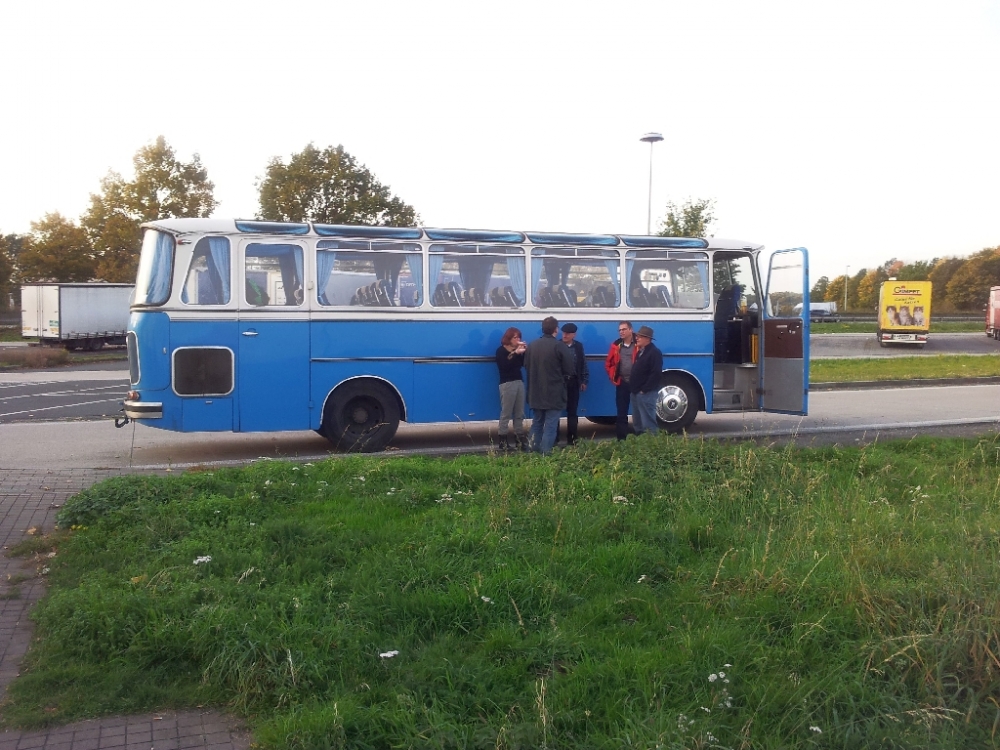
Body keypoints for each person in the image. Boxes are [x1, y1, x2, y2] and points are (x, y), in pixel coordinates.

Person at [524, 316, 575, 455]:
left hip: (535, 393)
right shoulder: (559, 346)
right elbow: (570, 369)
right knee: (551, 425)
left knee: (537, 423)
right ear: (556, 329)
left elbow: (526, 365)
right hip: (554, 393)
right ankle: (545, 454)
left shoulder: (532, 345)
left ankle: (531, 451)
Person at [604, 321, 638, 440]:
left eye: (624, 329)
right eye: (619, 330)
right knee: (621, 412)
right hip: (622, 382)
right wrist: (613, 376)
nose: (621, 332)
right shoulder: (616, 345)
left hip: (637, 383)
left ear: (631, 330)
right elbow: (608, 363)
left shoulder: (638, 344)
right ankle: (621, 439)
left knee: (639, 411)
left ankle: (642, 438)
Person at [495, 327, 528, 451]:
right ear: (508, 338)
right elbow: (504, 365)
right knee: (506, 413)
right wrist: (515, 353)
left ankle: (519, 438)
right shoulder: (501, 350)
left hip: (519, 381)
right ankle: (502, 440)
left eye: (519, 337)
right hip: (507, 383)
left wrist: (524, 351)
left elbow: (523, 364)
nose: (517, 339)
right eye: (515, 337)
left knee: (519, 412)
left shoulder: (517, 351)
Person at [629, 325, 663, 436]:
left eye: (639, 336)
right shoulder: (640, 352)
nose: (637, 338)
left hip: (646, 393)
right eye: (637, 336)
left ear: (647, 339)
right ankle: (640, 440)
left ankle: (652, 442)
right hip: (636, 392)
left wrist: (644, 390)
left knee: (648, 422)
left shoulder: (654, 352)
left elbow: (656, 373)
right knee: (638, 422)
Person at [559, 323, 589, 446]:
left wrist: (584, 380)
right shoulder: (557, 345)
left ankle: (572, 439)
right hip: (560, 383)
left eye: (567, 333)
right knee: (556, 411)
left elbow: (583, 364)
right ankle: (555, 438)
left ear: (574, 335)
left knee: (572, 412)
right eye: (563, 333)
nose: (564, 335)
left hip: (574, 381)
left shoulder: (578, 346)